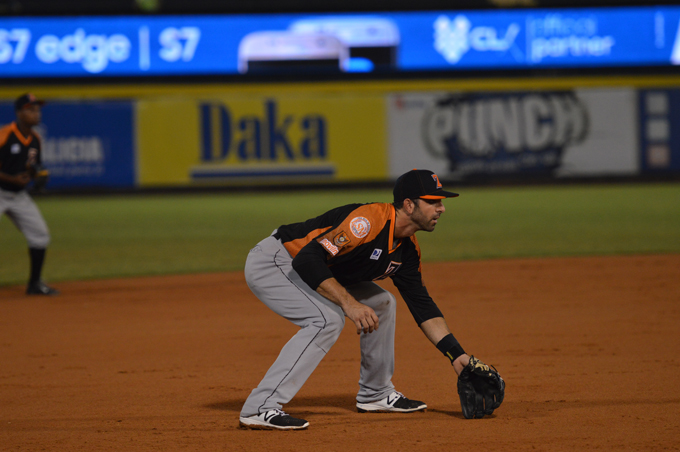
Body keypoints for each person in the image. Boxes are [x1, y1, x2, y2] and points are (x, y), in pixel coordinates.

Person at [239, 169, 503, 430]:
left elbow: (422, 305)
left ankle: (375, 394)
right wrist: (349, 303)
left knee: (383, 303)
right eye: (433, 202)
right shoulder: (366, 222)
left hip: (318, 268)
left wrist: (456, 356)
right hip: (279, 260)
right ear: (409, 205)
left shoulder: (407, 250)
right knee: (327, 320)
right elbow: (308, 259)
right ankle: (260, 406)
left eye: (441, 202)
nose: (441, 208)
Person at [0, 93, 59, 296]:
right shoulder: (5, 135)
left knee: (40, 235)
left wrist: (38, 174)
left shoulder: (35, 140)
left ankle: (34, 284)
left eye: (38, 109)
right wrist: (11, 179)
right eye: (31, 109)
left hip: (18, 196)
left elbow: (31, 164)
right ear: (19, 113)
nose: (36, 113)